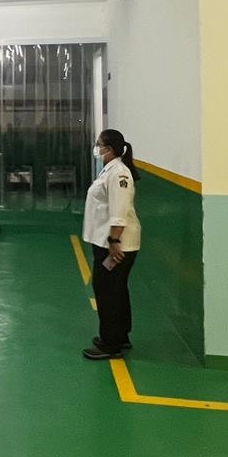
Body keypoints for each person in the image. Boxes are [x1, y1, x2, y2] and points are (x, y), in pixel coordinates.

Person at [81, 129, 142, 360]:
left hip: (116, 244)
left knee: (107, 292)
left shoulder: (119, 174)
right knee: (116, 290)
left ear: (110, 149)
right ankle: (120, 336)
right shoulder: (110, 170)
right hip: (108, 241)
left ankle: (110, 344)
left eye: (100, 145)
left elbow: (119, 210)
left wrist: (114, 241)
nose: (97, 148)